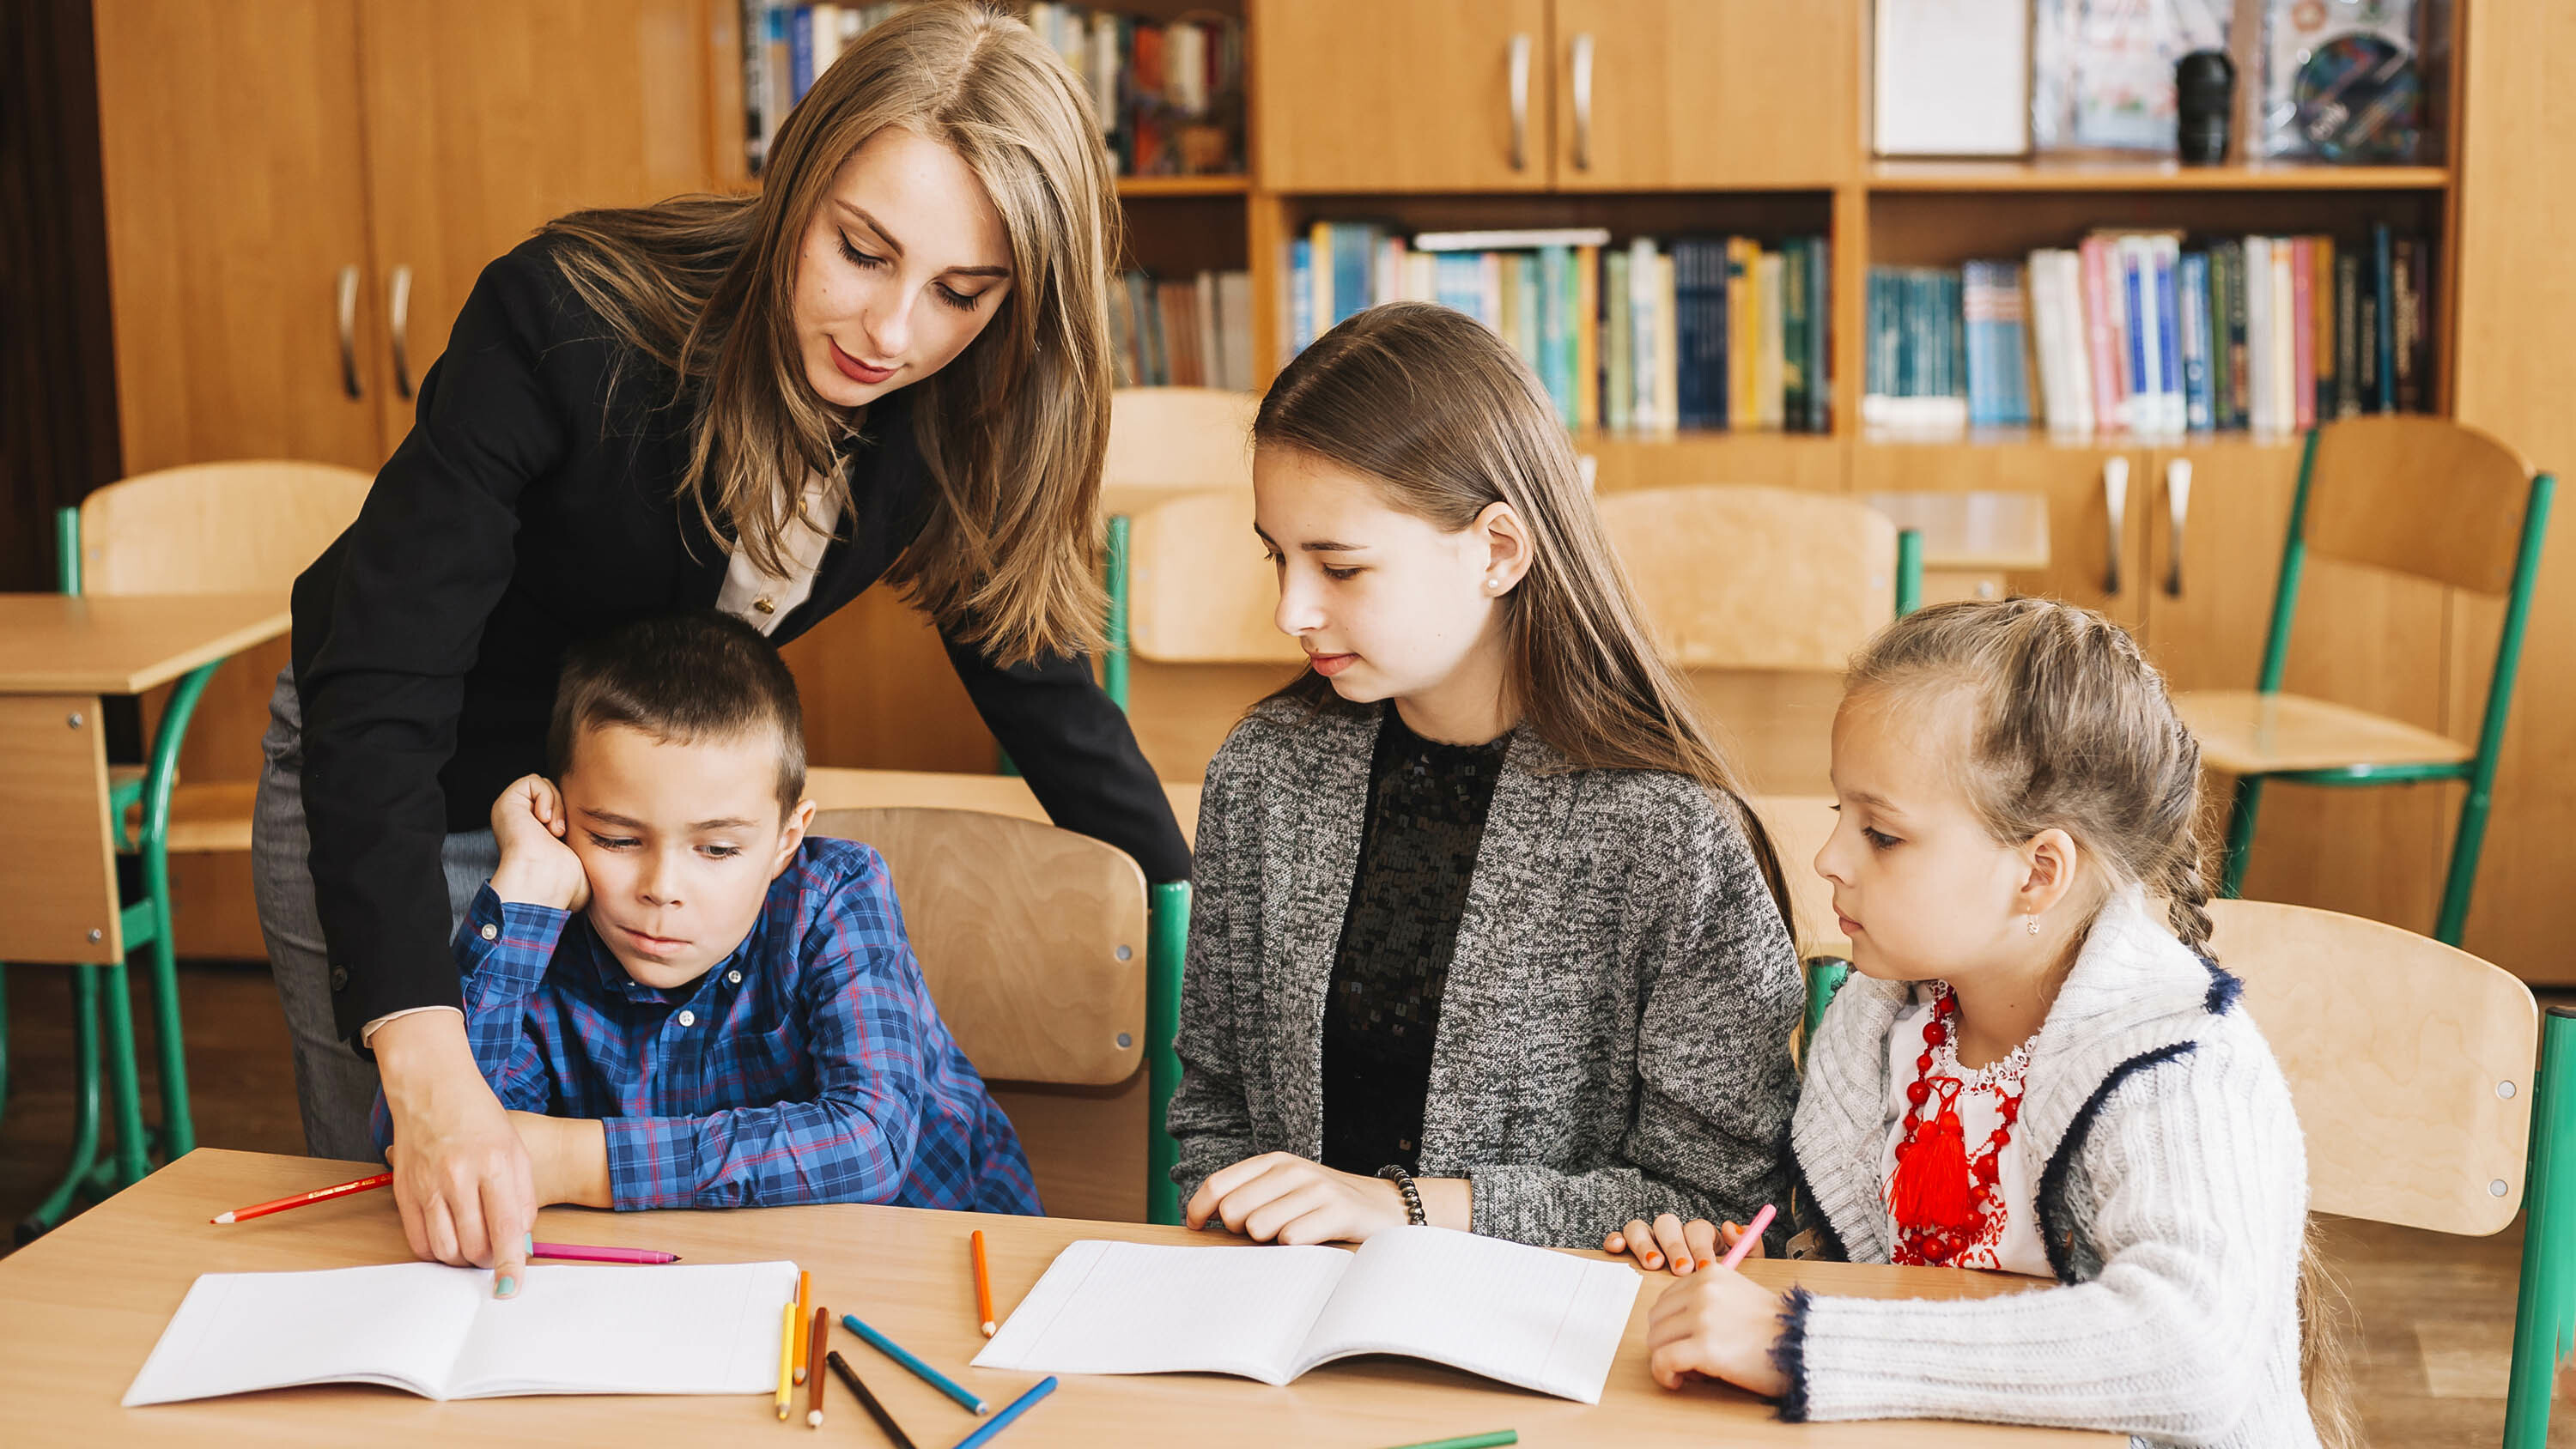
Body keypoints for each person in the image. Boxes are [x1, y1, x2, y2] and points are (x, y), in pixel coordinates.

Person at [253, 1, 1178, 1296]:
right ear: (796, 180)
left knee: (631, 1238)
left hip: (654, 809)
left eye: (962, 292)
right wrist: (420, 1052)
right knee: (428, 1224)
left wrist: (1189, 908)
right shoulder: (563, 322)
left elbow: (1033, 676)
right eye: (861, 252)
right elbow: (383, 693)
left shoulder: (957, 401)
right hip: (419, 776)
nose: (894, 333)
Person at [1164, 302, 1805, 1251]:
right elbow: (1214, 1107)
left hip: (1555, 1353)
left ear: (1499, 550)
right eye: (1279, 556)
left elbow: (1720, 1196)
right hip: (1287, 1329)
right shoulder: (1264, 774)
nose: (1290, 609)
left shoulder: (1668, 827)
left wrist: (1407, 1208)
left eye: (1339, 567)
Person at [1641, 598, 2350, 1448]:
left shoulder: (2182, 1068)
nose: (1831, 858)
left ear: (2038, 872)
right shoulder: (1880, 1029)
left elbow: (2194, 1353)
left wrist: (1802, 1340)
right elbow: (1887, 1281)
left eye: (1884, 833)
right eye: (1840, 816)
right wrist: (1752, 1268)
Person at [368, 613, 1037, 1294]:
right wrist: (528, 890)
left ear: (786, 838)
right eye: (617, 840)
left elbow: (871, 1140)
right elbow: (426, 1136)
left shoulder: (836, 896)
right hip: (689, 1288)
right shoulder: (546, 931)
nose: (662, 890)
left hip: (933, 1274)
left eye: (717, 849)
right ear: (560, 815)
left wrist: (577, 1160)